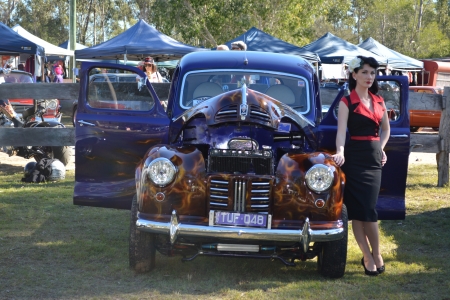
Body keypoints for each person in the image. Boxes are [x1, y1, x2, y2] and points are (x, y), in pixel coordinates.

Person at [332, 56, 390, 276]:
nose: (369, 77)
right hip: (354, 159)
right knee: (357, 212)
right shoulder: (347, 101)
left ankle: (377, 253)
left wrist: (382, 148)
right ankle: (367, 255)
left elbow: (386, 130)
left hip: (373, 158)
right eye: (365, 72)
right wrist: (340, 151)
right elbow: (341, 132)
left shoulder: (379, 101)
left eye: (372, 73)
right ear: (354, 74)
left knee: (369, 211)